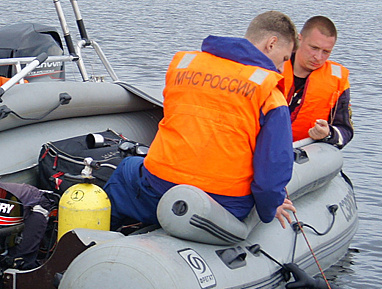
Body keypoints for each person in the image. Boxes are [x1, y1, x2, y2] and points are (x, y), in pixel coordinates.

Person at [104, 11, 298, 231]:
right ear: (271, 43)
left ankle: (97, 236)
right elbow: (272, 171)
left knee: (128, 168)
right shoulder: (270, 93)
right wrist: (269, 209)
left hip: (159, 188)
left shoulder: (185, 66)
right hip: (225, 203)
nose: (282, 69)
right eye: (284, 59)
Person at [282, 16, 353, 149]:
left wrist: (327, 133)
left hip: (301, 155)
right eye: (314, 48)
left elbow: (346, 131)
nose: (318, 57)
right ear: (299, 39)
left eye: (326, 52)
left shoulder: (337, 82)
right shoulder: (272, 66)